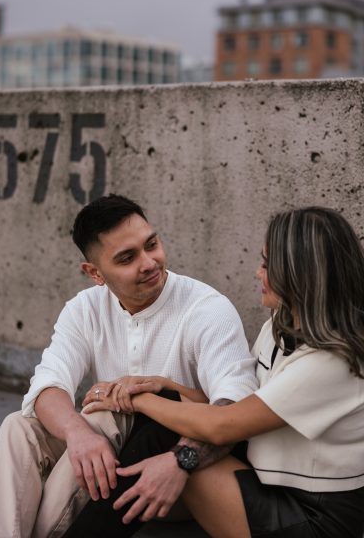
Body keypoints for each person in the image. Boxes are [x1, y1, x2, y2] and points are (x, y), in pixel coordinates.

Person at [0, 194, 257, 538]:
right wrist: (77, 434)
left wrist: (179, 462)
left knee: (105, 415)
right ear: (94, 272)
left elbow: (235, 409)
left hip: (175, 476)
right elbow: (49, 383)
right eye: (127, 257)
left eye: (151, 244)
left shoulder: (207, 310)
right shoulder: (85, 309)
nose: (149, 262)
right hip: (109, 468)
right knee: (19, 427)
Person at [83, 206, 364, 538]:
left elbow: (224, 426)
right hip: (268, 480)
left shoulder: (332, 359)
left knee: (174, 449)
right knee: (168, 416)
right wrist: (164, 387)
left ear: (300, 274)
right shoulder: (281, 323)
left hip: (313, 516)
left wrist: (137, 399)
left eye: (266, 265)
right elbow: (243, 408)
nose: (258, 274)